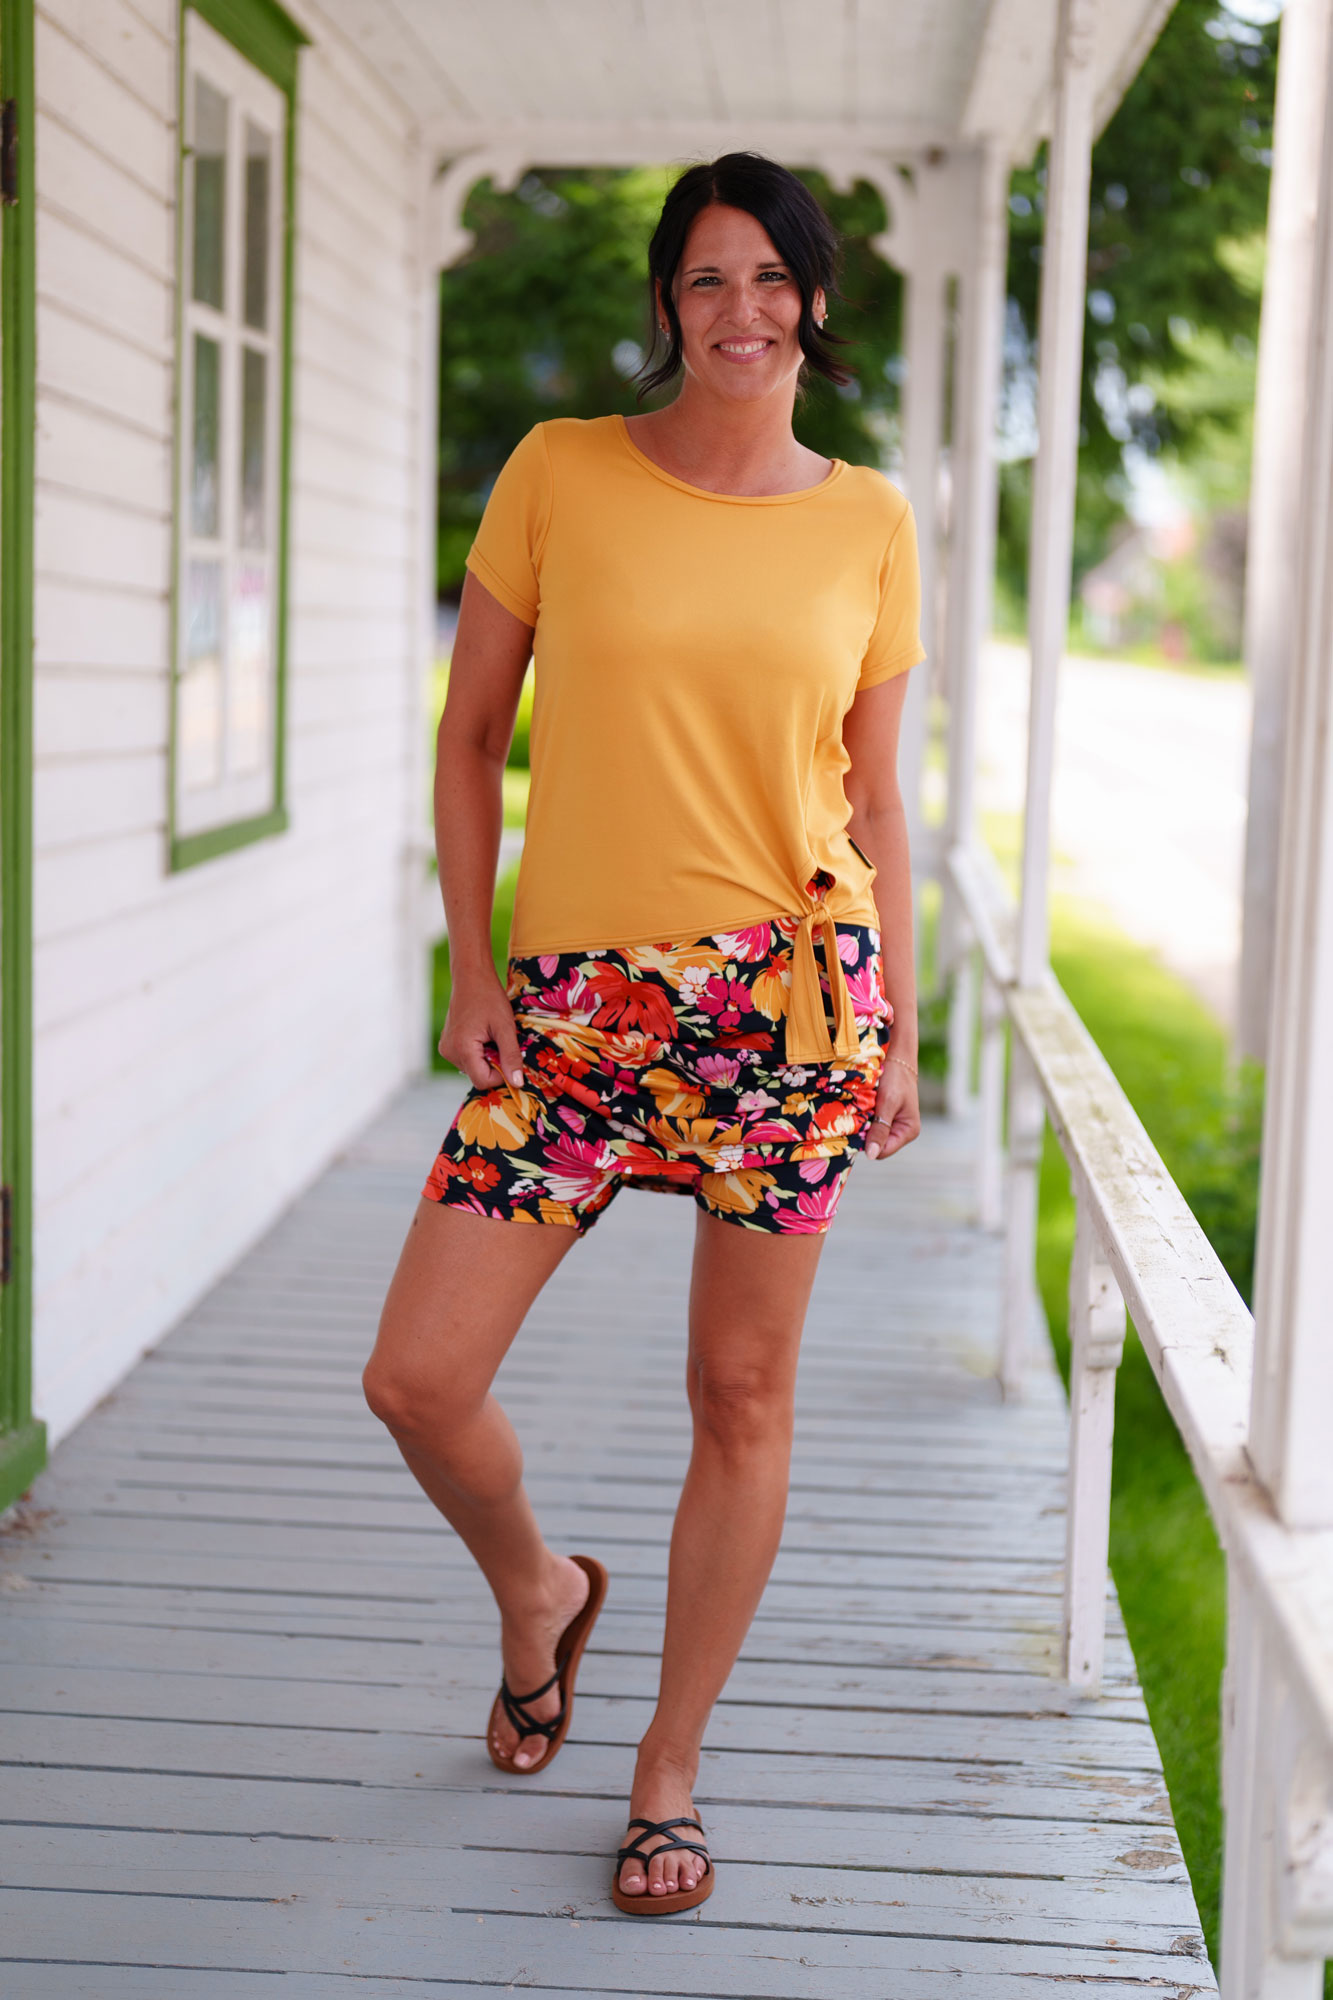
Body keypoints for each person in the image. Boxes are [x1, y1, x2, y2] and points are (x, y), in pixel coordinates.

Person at [363, 151, 924, 1918]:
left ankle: (665, 1772)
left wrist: (901, 1034)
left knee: (738, 1396)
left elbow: (874, 798)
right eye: (704, 278)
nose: (739, 311)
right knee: (416, 1378)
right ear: (666, 301)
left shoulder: (870, 520)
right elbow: (471, 739)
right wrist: (472, 970)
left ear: (813, 301)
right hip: (576, 1014)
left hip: (789, 1008)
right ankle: (538, 1592)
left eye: (770, 278)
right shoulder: (561, 471)